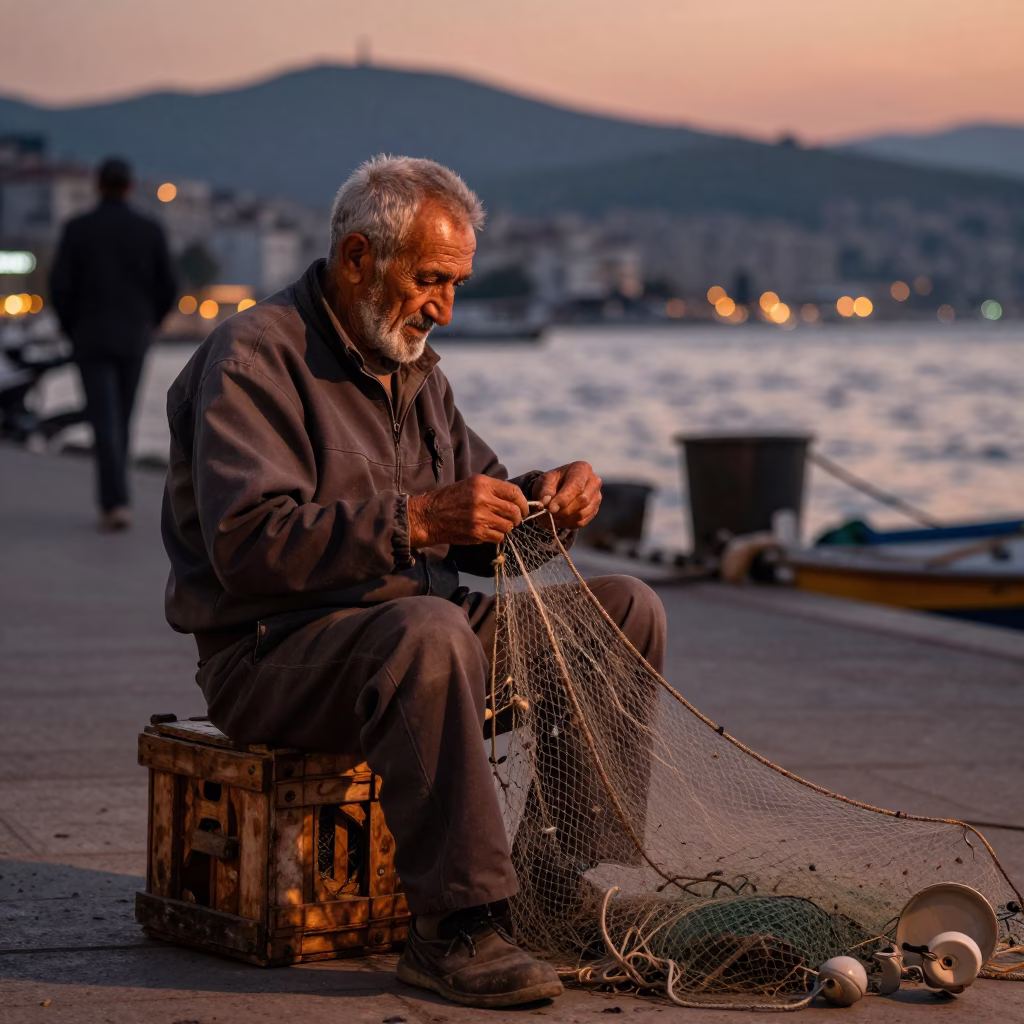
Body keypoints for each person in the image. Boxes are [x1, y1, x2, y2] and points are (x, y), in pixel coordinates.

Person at [162, 156, 666, 1009]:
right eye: (430, 280)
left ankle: (556, 883)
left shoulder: (416, 371)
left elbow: (488, 530)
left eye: (457, 284)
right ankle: (456, 928)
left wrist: (553, 505)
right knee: (428, 633)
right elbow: (249, 548)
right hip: (274, 656)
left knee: (623, 611)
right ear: (359, 257)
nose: (444, 308)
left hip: (414, 638)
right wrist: (421, 522)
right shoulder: (252, 358)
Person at [50, 157, 176, 531]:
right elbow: (168, 285)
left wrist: (71, 328)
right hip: (134, 337)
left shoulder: (78, 228)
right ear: (130, 187)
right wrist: (150, 322)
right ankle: (118, 499)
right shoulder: (149, 229)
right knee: (122, 416)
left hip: (89, 336)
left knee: (103, 419)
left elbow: (59, 286)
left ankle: (114, 501)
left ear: (97, 185)